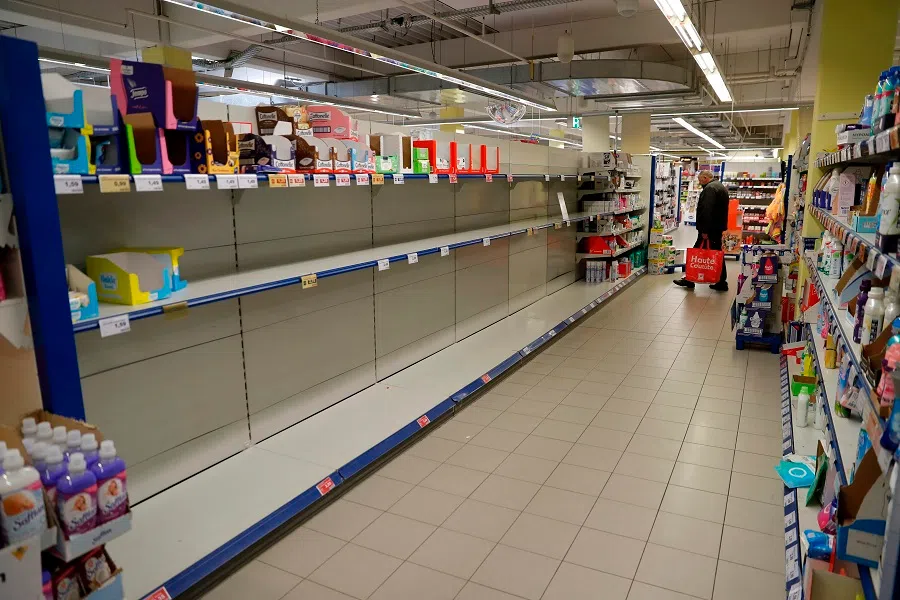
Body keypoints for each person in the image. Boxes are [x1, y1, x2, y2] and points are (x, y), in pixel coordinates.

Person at [674, 170, 729, 291]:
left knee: (696, 253)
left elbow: (706, 210)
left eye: (700, 180)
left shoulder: (710, 189)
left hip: (710, 228)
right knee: (716, 253)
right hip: (716, 227)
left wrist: (704, 230)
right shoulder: (720, 186)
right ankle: (721, 281)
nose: (699, 182)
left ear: (705, 178)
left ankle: (689, 279)